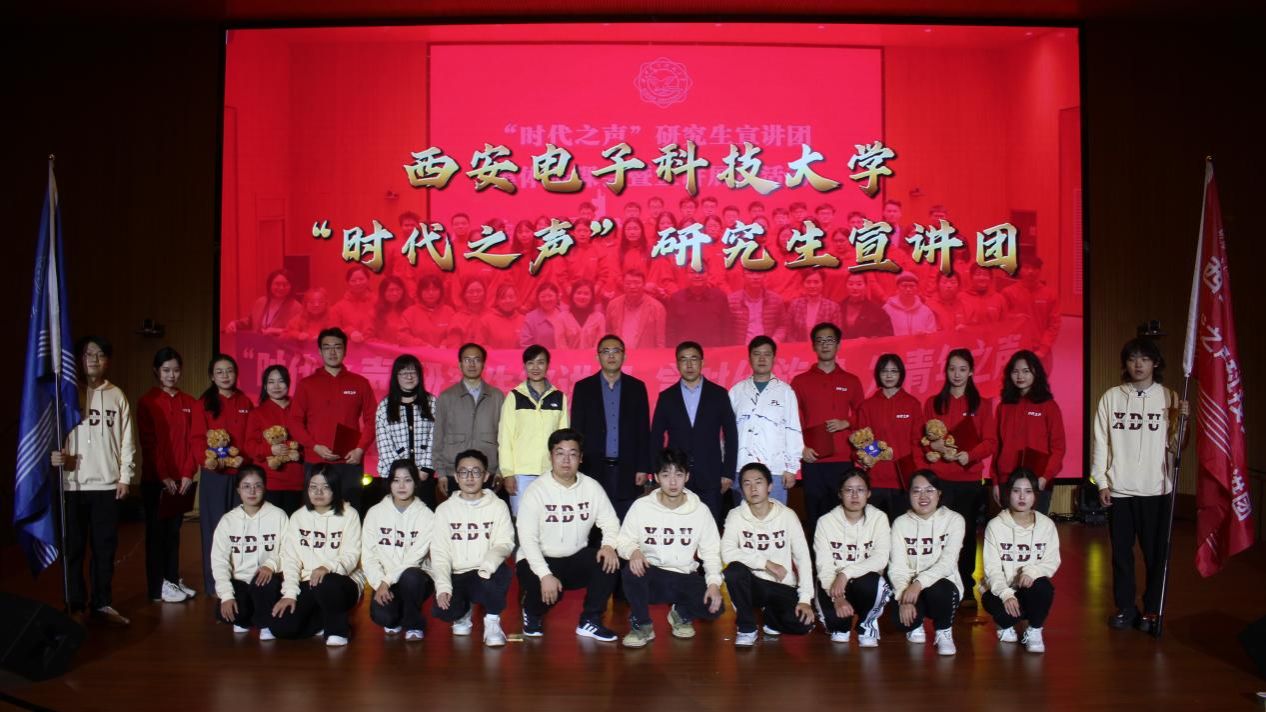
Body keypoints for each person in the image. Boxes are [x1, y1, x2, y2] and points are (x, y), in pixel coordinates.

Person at [1092, 337, 1187, 633]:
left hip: (1156, 490)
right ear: (1125, 363)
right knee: (1121, 555)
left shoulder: (1170, 397)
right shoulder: (1111, 397)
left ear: (1155, 363)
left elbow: (1176, 447)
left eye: (1144, 359)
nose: (1138, 364)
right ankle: (1125, 608)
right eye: (1132, 358)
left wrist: (1184, 422)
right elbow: (1101, 443)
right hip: (1120, 490)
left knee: (1156, 555)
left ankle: (1152, 610)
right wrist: (1102, 482)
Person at [50, 336, 136, 625]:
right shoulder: (66, 393)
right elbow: (49, 433)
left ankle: (102, 603)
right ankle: (74, 604)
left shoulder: (117, 395)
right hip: (72, 485)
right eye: (88, 354)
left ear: (107, 361)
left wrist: (125, 477)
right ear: (78, 358)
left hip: (107, 486)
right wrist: (53, 456)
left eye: (100, 354)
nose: (94, 360)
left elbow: (126, 440)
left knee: (104, 550)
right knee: (73, 549)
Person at [516, 429, 621, 641]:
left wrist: (609, 545)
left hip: (574, 557)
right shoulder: (536, 491)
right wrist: (545, 575)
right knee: (545, 588)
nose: (566, 460)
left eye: (572, 454)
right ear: (550, 457)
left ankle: (590, 620)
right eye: (560, 453)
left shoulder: (591, 487)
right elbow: (527, 539)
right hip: (538, 558)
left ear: (580, 458)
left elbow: (611, 522)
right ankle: (532, 612)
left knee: (608, 561)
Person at [616, 448, 724, 648]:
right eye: (666, 475)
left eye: (679, 475)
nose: (673, 482)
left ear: (687, 477)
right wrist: (634, 551)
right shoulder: (642, 506)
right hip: (652, 575)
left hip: (684, 576)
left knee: (715, 606)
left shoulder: (700, 511)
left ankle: (681, 613)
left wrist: (714, 584)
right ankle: (642, 625)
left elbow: (711, 553)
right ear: (657, 477)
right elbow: (623, 541)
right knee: (631, 570)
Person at [923, 348, 997, 604]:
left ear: (971, 372)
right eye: (952, 369)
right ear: (946, 371)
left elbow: (990, 441)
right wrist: (933, 447)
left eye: (963, 369)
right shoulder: (933, 403)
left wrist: (971, 455)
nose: (957, 374)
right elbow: (922, 440)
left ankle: (965, 584)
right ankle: (937, 584)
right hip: (939, 480)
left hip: (968, 479)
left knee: (965, 535)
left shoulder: (982, 404)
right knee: (939, 535)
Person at [721, 463, 815, 647]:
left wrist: (805, 599)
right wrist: (766, 564)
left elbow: (802, 558)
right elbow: (727, 552)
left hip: (782, 585)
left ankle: (770, 618)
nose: (753, 488)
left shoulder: (787, 515)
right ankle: (747, 628)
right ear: (741, 489)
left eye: (758, 482)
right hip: (754, 584)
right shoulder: (735, 515)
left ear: (770, 486)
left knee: (803, 624)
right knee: (734, 571)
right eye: (747, 484)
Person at [271, 467, 365, 646]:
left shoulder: (349, 515)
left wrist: (326, 567)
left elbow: (352, 555)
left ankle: (338, 630)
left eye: (326, 487)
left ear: (335, 489)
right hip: (309, 581)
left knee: (328, 582)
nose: (318, 492)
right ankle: (322, 620)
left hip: (342, 581)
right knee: (281, 627)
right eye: (313, 487)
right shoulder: (298, 517)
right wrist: (289, 593)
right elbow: (291, 559)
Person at [288, 327, 377, 516]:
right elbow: (294, 422)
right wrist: (314, 446)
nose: (332, 352)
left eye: (337, 347)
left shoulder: (360, 383)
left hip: (350, 461)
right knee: (315, 514)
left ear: (345, 350)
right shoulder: (307, 384)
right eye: (327, 347)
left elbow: (372, 419)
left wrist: (360, 449)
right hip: (316, 460)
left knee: (350, 513)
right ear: (320, 351)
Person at [431, 449, 516, 647]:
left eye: (476, 472)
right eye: (464, 472)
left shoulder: (498, 506)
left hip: (484, 571)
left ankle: (492, 621)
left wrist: (487, 566)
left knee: (503, 572)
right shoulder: (444, 510)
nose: (469, 477)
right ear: (456, 476)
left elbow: (504, 543)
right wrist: (443, 587)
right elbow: (440, 553)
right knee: (443, 610)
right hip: (457, 573)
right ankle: (462, 612)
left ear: (486, 476)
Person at [650, 341, 739, 524]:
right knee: (677, 527)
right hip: (676, 477)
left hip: (711, 476)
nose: (689, 365)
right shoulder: (667, 397)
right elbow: (656, 437)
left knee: (709, 528)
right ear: (677, 364)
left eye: (694, 359)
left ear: (702, 362)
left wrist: (728, 472)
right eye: (684, 360)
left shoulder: (719, 394)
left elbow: (731, 436)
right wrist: (658, 471)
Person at [137, 346, 198, 604]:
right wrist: (163, 476)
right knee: (157, 535)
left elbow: (194, 442)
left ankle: (171, 579)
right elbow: (149, 443)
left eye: (175, 370)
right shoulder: (147, 402)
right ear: (156, 371)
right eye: (166, 370)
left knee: (174, 534)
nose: (171, 375)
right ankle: (157, 587)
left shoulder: (189, 403)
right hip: (156, 481)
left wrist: (187, 473)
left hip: (181, 480)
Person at [791, 322, 865, 533]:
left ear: (838, 345)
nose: (825, 345)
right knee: (815, 518)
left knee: (843, 519)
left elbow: (864, 416)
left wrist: (846, 422)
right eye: (820, 341)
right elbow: (792, 421)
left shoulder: (851, 381)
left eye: (830, 340)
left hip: (843, 460)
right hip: (813, 460)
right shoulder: (800, 381)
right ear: (813, 346)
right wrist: (801, 448)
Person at [192, 354, 254, 596]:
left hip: (240, 475)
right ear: (212, 376)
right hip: (215, 476)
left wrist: (244, 457)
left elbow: (250, 436)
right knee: (214, 529)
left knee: (240, 529)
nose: (225, 376)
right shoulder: (204, 403)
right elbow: (197, 439)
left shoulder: (245, 401)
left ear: (236, 374)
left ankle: (240, 581)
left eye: (229, 371)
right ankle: (216, 584)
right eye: (219, 372)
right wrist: (210, 461)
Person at [570, 335, 651, 520]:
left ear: (624, 356)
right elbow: (577, 431)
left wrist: (642, 467)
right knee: (594, 520)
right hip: (593, 467)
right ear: (598, 357)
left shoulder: (637, 388)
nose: (611, 356)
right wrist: (578, 466)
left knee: (625, 520)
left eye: (616, 351)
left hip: (628, 468)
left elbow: (643, 431)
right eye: (606, 351)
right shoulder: (583, 388)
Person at [981, 469, 1061, 653]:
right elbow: (992, 569)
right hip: (1001, 590)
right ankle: (1005, 624)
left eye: (1028, 491)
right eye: (1016, 491)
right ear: (1008, 493)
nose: (1022, 497)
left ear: (1035, 495)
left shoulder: (1046, 525)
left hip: (1028, 587)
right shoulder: (995, 525)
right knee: (1001, 611)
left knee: (1043, 587)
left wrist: (1031, 572)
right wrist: (1006, 594)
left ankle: (1034, 631)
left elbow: (1051, 561)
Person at [889, 470, 965, 656]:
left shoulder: (954, 520)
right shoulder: (900, 523)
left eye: (929, 490)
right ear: (909, 494)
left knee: (940, 589)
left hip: (941, 586)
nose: (923, 496)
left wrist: (918, 583)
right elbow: (897, 567)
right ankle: (916, 624)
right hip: (910, 588)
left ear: (939, 493)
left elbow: (947, 563)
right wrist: (903, 597)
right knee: (899, 620)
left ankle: (943, 631)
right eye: (916, 491)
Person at [813, 471, 892, 645]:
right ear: (840, 494)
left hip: (864, 581)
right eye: (848, 490)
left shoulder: (879, 518)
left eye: (860, 490)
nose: (855, 495)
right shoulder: (825, 522)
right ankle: (842, 624)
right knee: (837, 628)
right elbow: (824, 566)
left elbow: (880, 559)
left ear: (868, 493)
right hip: (833, 583)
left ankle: (867, 623)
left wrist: (846, 573)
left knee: (874, 583)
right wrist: (837, 598)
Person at [211, 466, 288, 640]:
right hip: (240, 581)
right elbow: (219, 561)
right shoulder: (228, 520)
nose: (252, 491)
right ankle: (249, 618)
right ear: (238, 489)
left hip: (266, 580)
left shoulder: (278, 515)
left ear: (265, 487)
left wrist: (271, 565)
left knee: (265, 583)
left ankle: (265, 623)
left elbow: (288, 551)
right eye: (246, 486)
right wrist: (226, 595)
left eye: (257, 486)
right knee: (226, 614)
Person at [362, 459, 435, 641]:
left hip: (416, 578)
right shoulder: (375, 513)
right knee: (384, 617)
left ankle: (414, 623)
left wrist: (386, 581)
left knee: (411, 576)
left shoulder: (427, 515)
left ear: (416, 483)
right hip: (385, 580)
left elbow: (414, 558)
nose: (401, 486)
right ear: (389, 483)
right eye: (396, 480)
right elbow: (369, 556)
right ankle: (397, 613)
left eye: (407, 480)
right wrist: (379, 584)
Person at [729, 336, 803, 506]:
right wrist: (727, 467)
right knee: (743, 518)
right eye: (757, 354)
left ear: (774, 358)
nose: (762, 359)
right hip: (741, 468)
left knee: (775, 518)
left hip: (775, 470)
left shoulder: (785, 391)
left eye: (767, 354)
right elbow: (727, 434)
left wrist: (792, 468)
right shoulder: (736, 391)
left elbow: (793, 430)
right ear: (749, 358)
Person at [499, 345, 570, 516]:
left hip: (551, 472)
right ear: (524, 366)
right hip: (521, 474)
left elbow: (564, 440)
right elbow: (505, 438)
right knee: (523, 521)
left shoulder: (559, 397)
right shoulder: (514, 396)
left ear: (548, 365)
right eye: (530, 363)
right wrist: (508, 473)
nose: (535, 367)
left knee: (550, 520)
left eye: (540, 362)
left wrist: (562, 470)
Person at [994, 350, 1066, 514]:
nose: (1020, 376)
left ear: (1036, 373)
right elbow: (997, 447)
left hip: (1038, 481)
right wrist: (996, 482)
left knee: (1036, 527)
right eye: (1015, 371)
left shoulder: (1049, 406)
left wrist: (1045, 477)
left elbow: (1058, 447)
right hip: (1007, 480)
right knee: (1008, 528)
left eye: (1026, 371)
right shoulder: (1003, 407)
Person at [855, 354, 924, 521]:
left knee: (902, 531)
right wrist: (865, 460)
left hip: (903, 482)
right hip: (875, 481)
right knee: (874, 531)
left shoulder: (912, 404)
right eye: (884, 371)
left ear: (901, 374)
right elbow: (860, 443)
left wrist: (917, 477)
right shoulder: (867, 406)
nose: (889, 375)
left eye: (894, 371)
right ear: (878, 374)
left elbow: (917, 443)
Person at [374, 355, 439, 509]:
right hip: (395, 479)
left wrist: (425, 469)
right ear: (396, 376)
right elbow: (384, 444)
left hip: (423, 476)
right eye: (403, 373)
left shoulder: (431, 402)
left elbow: (435, 437)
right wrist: (401, 475)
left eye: (413, 372)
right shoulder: (385, 406)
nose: (409, 377)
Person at [245, 365, 305, 513]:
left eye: (281, 381)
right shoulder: (257, 413)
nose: (276, 386)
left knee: (293, 523)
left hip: (297, 479)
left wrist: (298, 453)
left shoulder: (300, 409)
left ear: (288, 384)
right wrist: (270, 449)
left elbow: (308, 440)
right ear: (265, 386)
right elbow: (249, 446)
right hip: (269, 480)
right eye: (271, 382)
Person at [1002, 256, 1060, 369]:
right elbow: (1001, 319)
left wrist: (1044, 349)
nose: (1030, 271)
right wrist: (1015, 317)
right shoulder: (1008, 293)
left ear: (1040, 270)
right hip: (1015, 345)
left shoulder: (1050, 294)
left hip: (1040, 347)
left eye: (1035, 268)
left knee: (1041, 376)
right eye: (1027, 267)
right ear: (1020, 269)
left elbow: (1054, 324)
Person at [665, 266, 730, 346]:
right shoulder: (676, 299)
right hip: (686, 351)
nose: (697, 276)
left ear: (708, 274)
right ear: (686, 275)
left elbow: (727, 329)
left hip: (715, 350)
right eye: (692, 272)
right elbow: (671, 331)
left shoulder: (720, 297)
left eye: (701, 272)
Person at [225, 269, 302, 336]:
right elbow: (251, 321)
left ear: (291, 286)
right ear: (270, 285)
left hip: (280, 346)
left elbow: (299, 332)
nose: (281, 288)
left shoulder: (296, 307)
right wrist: (235, 324)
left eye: (285, 284)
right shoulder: (261, 302)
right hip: (258, 343)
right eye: (277, 284)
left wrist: (277, 331)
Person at [605, 269, 666, 349]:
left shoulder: (657, 308)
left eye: (637, 283)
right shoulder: (613, 305)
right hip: (620, 353)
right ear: (623, 284)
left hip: (645, 354)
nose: (632, 287)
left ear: (644, 284)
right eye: (628, 283)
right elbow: (608, 333)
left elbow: (660, 341)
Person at [728, 270, 786, 345]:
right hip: (741, 348)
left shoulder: (776, 300)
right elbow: (726, 329)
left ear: (765, 276)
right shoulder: (731, 301)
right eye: (750, 273)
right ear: (743, 276)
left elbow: (782, 325)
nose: (755, 277)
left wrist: (775, 340)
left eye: (759, 273)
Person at [785, 271, 842, 343]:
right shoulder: (795, 305)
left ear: (823, 284)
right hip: (799, 347)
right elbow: (789, 332)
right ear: (803, 284)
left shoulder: (833, 307)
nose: (812, 286)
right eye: (808, 282)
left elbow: (835, 334)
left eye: (816, 282)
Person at [519, 281, 578, 349]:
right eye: (543, 296)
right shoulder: (531, 318)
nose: (547, 299)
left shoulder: (567, 312)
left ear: (557, 296)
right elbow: (525, 344)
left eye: (550, 296)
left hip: (567, 354)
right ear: (538, 298)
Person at [328, 264, 377, 343]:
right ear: (348, 283)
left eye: (361, 279)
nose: (358, 283)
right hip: (349, 347)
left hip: (375, 347)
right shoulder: (338, 308)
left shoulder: (378, 302)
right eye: (353, 280)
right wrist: (349, 332)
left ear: (368, 280)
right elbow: (333, 330)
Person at [403, 275, 456, 347]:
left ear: (441, 291)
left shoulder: (449, 311)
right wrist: (422, 345)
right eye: (426, 290)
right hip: (417, 352)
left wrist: (445, 343)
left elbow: (454, 334)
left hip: (443, 352)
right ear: (419, 292)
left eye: (435, 289)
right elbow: (403, 337)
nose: (431, 293)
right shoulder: (409, 313)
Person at [838, 272, 893, 340]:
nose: (855, 288)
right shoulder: (837, 308)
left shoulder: (877, 310)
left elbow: (887, 335)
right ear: (845, 286)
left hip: (867, 346)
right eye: (851, 284)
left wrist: (869, 340)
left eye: (859, 284)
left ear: (866, 286)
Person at [558, 279, 605, 350]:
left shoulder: (599, 318)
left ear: (592, 296)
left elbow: (599, 345)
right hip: (567, 357)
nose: (582, 297)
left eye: (586, 294)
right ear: (572, 295)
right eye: (578, 293)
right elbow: (561, 345)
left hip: (592, 357)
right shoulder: (562, 318)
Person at [369, 275, 415, 345]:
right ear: (383, 292)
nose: (395, 293)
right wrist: (388, 346)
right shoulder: (375, 312)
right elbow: (369, 337)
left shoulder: (411, 310)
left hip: (408, 349)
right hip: (384, 349)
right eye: (390, 290)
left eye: (398, 290)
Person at [482, 283, 526, 349]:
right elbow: (480, 344)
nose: (507, 301)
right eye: (503, 298)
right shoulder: (486, 321)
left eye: (511, 297)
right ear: (497, 301)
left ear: (516, 299)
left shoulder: (524, 320)